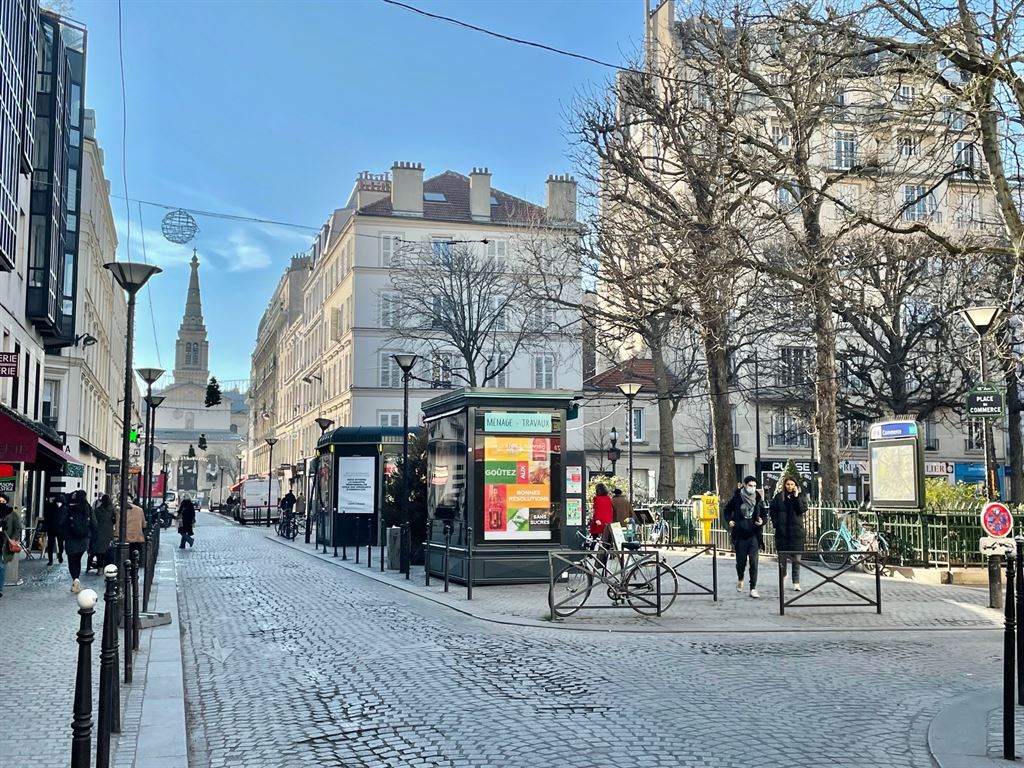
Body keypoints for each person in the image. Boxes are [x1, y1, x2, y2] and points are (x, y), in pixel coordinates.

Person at [724, 476, 765, 599]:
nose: (752, 488)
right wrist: (730, 520)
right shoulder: (737, 497)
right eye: (750, 485)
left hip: (754, 534)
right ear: (745, 485)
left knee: (754, 562)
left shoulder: (758, 498)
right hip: (740, 534)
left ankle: (753, 588)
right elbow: (726, 510)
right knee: (741, 562)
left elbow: (764, 514)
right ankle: (740, 577)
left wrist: (762, 521)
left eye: (754, 486)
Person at [770, 476, 808, 591]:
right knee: (782, 560)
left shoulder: (800, 496)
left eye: (792, 484)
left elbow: (802, 509)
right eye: (788, 484)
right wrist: (776, 523)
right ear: (784, 485)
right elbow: (772, 510)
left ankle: (796, 582)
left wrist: (796, 497)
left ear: (795, 485)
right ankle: (783, 576)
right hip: (782, 533)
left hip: (796, 533)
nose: (790, 487)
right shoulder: (779, 497)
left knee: (796, 560)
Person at [64, 490, 96, 594]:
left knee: (71, 561)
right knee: (77, 560)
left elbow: (63, 521)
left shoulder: (69, 507)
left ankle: (75, 579)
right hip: (84, 539)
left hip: (70, 538)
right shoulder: (88, 508)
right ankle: (76, 579)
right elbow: (94, 524)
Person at [0, 494, 22, 598]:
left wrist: (13, 539)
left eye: (3, 501)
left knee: (1, 566)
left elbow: (17, 528)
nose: (1, 503)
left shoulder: (12, 514)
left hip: (4, 544)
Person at [89, 494, 116, 573]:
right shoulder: (112, 511)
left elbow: (93, 521)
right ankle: (107, 567)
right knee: (108, 550)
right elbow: (114, 521)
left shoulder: (97, 510)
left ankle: (100, 568)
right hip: (109, 533)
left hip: (99, 533)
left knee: (99, 551)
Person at [43, 493, 66, 566]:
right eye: (57, 502)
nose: (58, 503)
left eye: (60, 502)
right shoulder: (52, 508)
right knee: (51, 545)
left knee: (60, 545)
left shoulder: (65, 509)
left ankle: (60, 555)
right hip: (52, 529)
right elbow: (47, 519)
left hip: (60, 530)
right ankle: (51, 560)